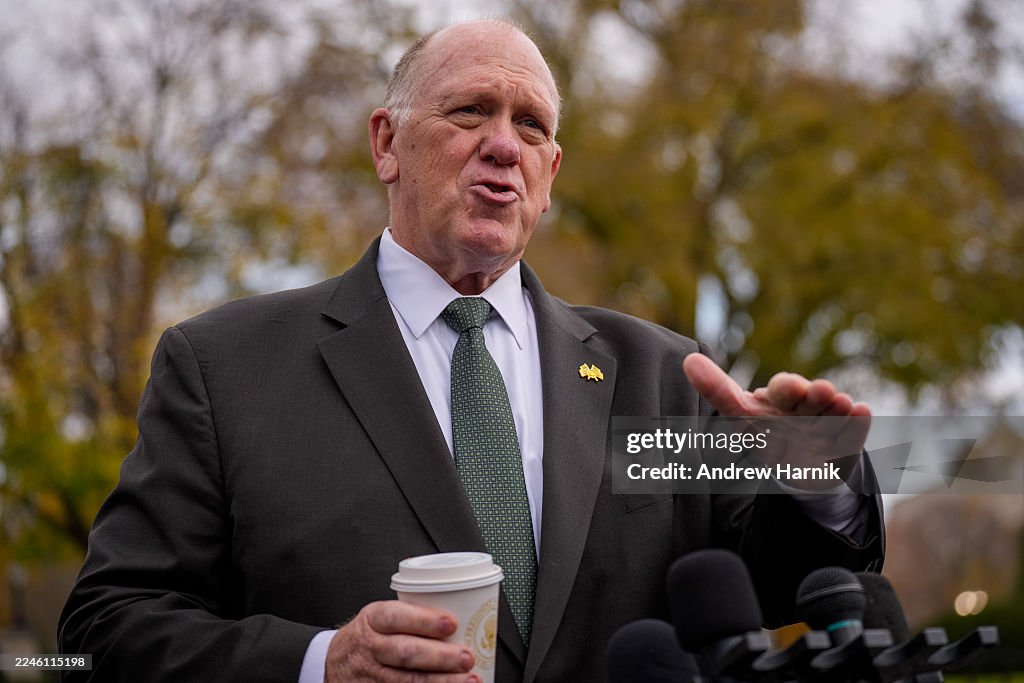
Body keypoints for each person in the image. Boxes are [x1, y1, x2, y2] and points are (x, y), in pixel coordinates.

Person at [59, 18, 882, 683]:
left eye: (531, 127)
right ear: (386, 143)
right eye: (469, 112)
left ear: (550, 175)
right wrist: (318, 663)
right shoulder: (224, 368)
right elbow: (103, 631)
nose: (503, 145)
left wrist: (818, 482)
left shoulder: (661, 375)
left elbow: (774, 585)